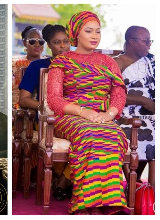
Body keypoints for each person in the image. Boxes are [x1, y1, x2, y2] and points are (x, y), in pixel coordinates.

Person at [47, 11, 129, 215]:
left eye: (98, 31)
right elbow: (54, 99)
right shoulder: (61, 61)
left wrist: (109, 114)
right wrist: (83, 112)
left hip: (102, 116)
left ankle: (108, 202)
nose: (95, 36)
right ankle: (86, 203)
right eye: (89, 31)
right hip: (70, 116)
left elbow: (119, 91)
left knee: (114, 134)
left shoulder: (108, 62)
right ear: (76, 33)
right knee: (91, 134)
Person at [19, 24, 72, 201]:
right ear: (48, 45)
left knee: (90, 138)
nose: (63, 46)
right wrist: (45, 107)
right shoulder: (37, 66)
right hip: (46, 118)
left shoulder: (79, 67)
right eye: (58, 42)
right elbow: (24, 99)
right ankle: (64, 180)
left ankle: (62, 181)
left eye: (66, 41)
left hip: (75, 118)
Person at [113, 26, 155, 189]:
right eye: (145, 41)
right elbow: (111, 95)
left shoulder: (151, 63)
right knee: (150, 133)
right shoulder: (117, 63)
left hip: (150, 114)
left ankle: (150, 193)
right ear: (131, 42)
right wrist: (143, 101)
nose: (149, 45)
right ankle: (136, 186)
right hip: (124, 114)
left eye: (149, 41)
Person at [12, 26, 45, 109]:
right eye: (32, 41)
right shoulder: (14, 63)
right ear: (24, 43)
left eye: (41, 42)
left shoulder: (49, 62)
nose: (37, 45)